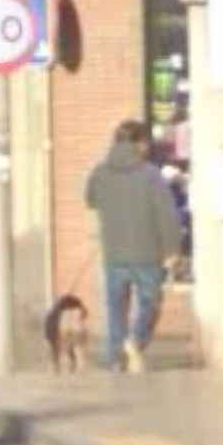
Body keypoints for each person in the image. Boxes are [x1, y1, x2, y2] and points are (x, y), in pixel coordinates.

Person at [85, 119, 185, 373]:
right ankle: (135, 340)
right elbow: (167, 215)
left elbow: (90, 199)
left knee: (116, 309)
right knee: (150, 303)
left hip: (114, 253)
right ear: (140, 144)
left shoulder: (100, 172)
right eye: (146, 142)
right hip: (147, 254)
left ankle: (115, 359)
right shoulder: (150, 175)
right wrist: (172, 250)